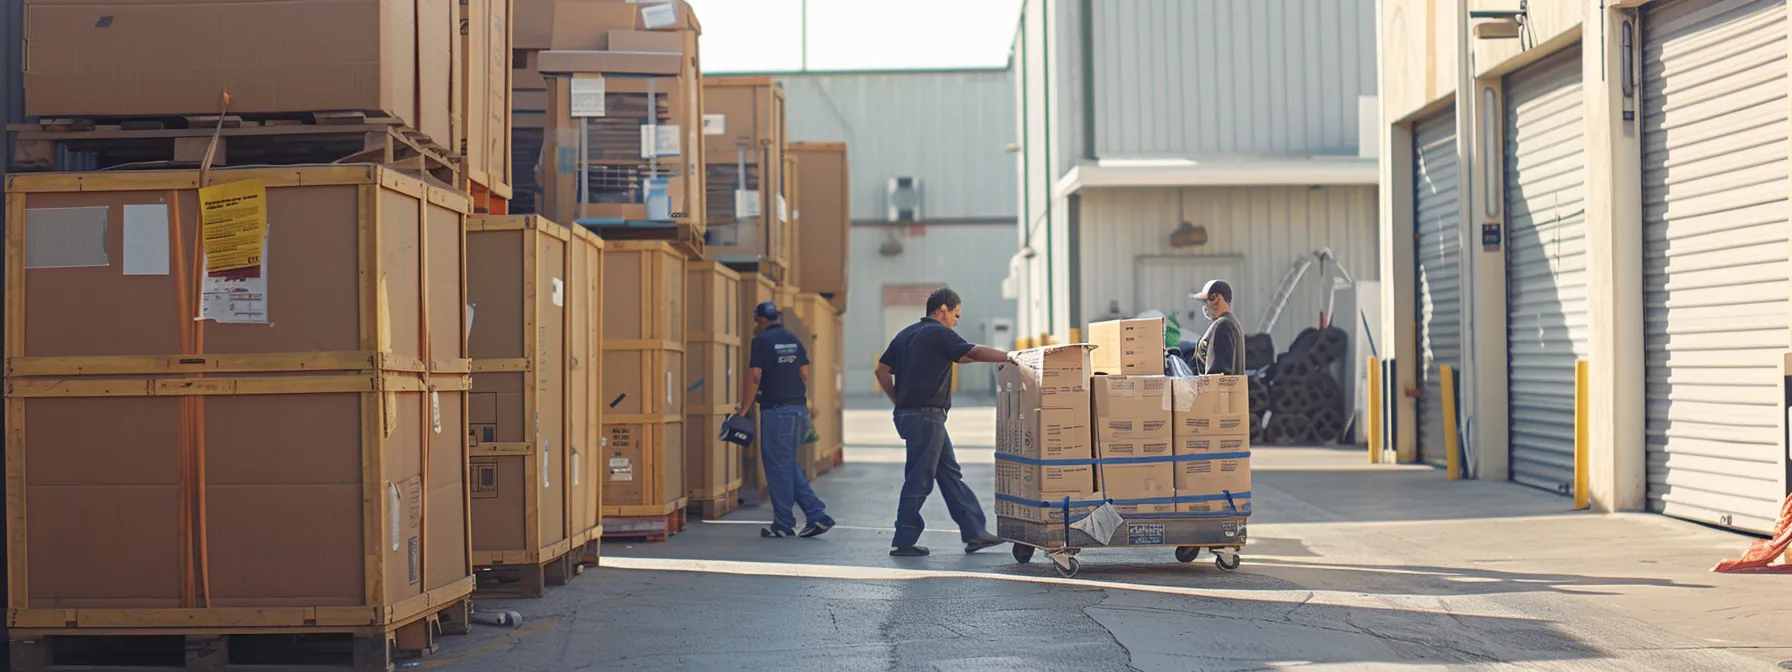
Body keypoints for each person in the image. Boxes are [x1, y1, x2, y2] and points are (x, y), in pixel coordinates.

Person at [874, 288, 1011, 557]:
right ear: (943, 310)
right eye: (956, 315)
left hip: (913, 415)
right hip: (927, 417)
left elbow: (881, 370)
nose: (956, 321)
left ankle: (975, 532)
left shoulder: (906, 334)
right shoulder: (939, 332)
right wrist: (1011, 357)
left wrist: (896, 399)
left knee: (949, 473)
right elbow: (974, 351)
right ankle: (904, 539)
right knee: (919, 478)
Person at [738, 301, 834, 539]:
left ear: (760, 319)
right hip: (797, 411)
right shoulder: (792, 339)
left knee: (778, 468)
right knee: (786, 464)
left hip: (776, 412)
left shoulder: (760, 341)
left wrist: (743, 410)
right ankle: (816, 515)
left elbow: (755, 376)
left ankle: (784, 524)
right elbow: (804, 373)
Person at [1190, 279, 1246, 375]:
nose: (1205, 307)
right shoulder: (1232, 323)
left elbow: (1217, 376)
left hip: (1217, 390)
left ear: (1216, 298)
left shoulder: (1223, 326)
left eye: (1205, 301)